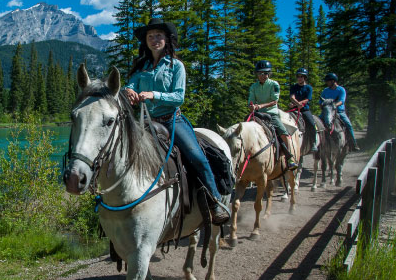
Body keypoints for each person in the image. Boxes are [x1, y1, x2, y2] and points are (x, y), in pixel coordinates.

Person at [123, 18, 229, 225]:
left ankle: (215, 201)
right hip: (147, 122)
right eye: (150, 36)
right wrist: (128, 91)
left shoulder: (176, 66)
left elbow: (179, 96)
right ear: (145, 41)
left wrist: (153, 94)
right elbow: (130, 85)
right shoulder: (141, 67)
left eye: (158, 36)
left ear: (167, 39)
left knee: (197, 156)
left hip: (172, 120)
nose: (154, 40)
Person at [248, 60, 298, 170]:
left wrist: (260, 106)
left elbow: (274, 101)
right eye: (260, 73)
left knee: (283, 132)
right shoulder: (253, 87)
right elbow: (251, 101)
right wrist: (251, 106)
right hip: (257, 114)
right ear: (257, 74)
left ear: (269, 74)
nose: (262, 76)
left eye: (265, 73)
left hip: (271, 114)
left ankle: (289, 158)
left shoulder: (274, 84)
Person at [319, 73, 360, 151]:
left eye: (328, 81)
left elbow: (341, 101)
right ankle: (316, 143)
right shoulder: (325, 90)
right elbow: (321, 101)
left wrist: (334, 105)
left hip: (339, 112)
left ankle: (353, 143)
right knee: (317, 123)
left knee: (348, 125)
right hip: (327, 111)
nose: (327, 83)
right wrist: (322, 105)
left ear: (333, 81)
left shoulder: (341, 89)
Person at [289, 68, 318, 152]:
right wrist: (297, 104)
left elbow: (307, 99)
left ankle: (313, 143)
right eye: (298, 76)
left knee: (311, 124)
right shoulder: (294, 87)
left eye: (301, 76)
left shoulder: (308, 88)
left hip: (304, 110)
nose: (299, 78)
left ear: (305, 77)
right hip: (294, 110)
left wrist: (296, 104)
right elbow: (292, 97)